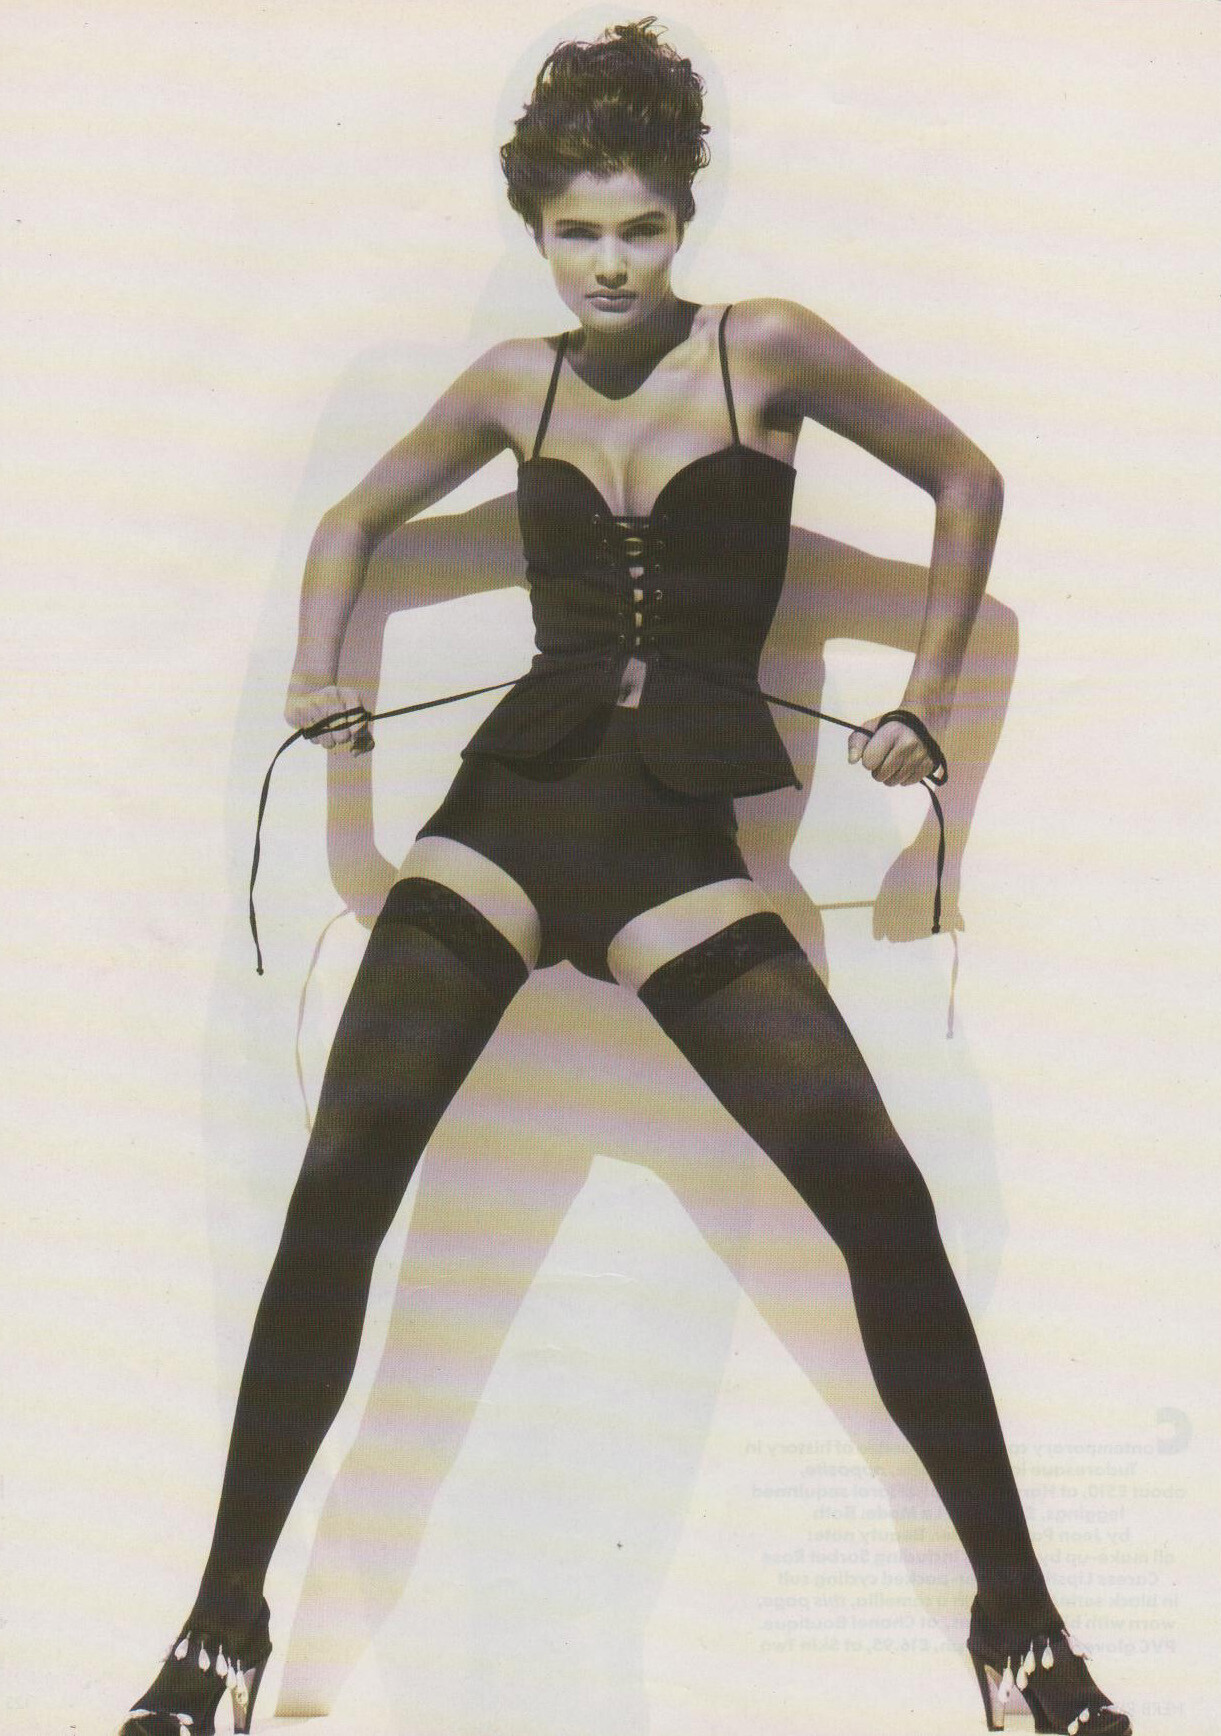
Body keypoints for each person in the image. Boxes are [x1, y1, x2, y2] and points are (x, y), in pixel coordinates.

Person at [116, 19, 1131, 1736]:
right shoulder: (508, 383)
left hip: (673, 851)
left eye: (640, 228)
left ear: (682, 220)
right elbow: (350, 524)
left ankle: (1019, 1633)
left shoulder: (765, 347)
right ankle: (220, 1633)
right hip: (505, 818)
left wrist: (924, 701)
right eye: (578, 232)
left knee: (877, 1189)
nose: (609, 265)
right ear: (536, 229)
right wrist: (317, 679)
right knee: (344, 1171)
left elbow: (967, 479)